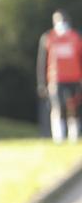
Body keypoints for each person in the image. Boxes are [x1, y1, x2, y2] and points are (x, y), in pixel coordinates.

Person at [37, 10, 82, 144]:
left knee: (73, 107)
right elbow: (42, 62)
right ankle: (59, 136)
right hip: (55, 80)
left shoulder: (76, 37)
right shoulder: (48, 38)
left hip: (74, 78)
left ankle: (74, 134)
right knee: (58, 107)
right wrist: (41, 82)